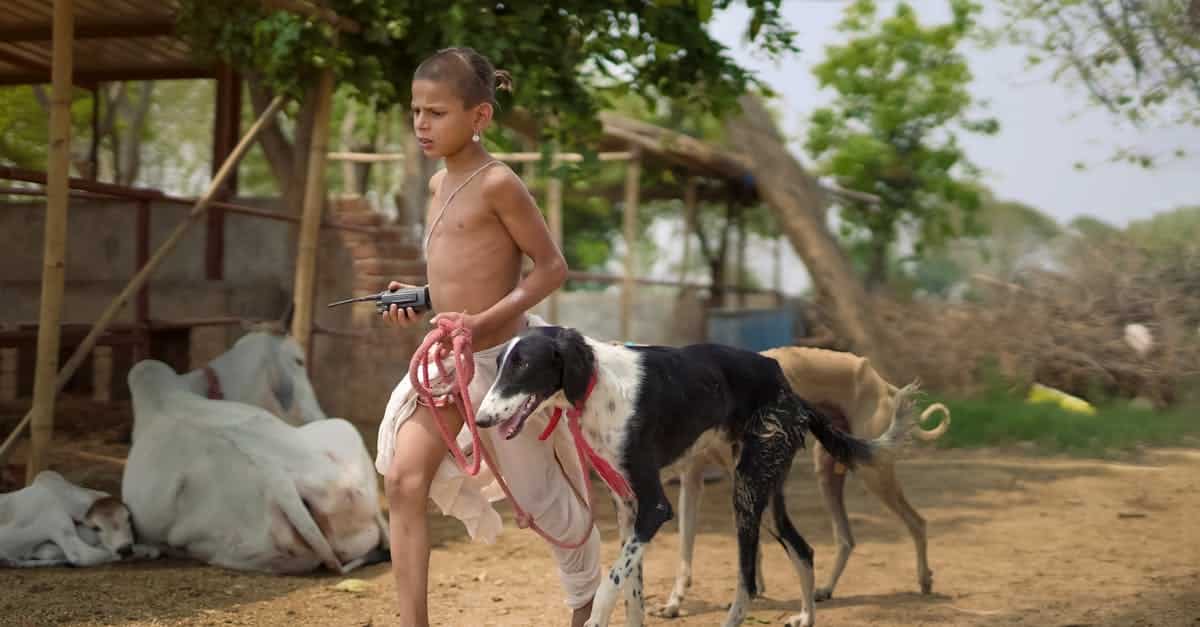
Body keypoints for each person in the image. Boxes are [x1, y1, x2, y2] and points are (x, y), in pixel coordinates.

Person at [374, 47, 601, 627]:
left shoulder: (499, 182)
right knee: (403, 480)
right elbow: (460, 274)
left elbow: (551, 268)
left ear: (479, 117)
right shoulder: (435, 184)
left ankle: (586, 608)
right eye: (416, 111)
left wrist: (480, 322)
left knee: (545, 501)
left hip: (507, 364)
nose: (422, 124)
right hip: (449, 363)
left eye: (437, 113)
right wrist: (421, 297)